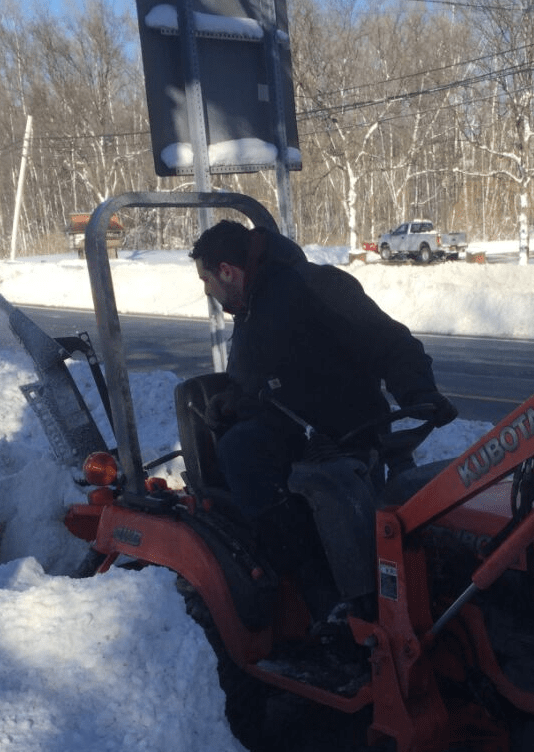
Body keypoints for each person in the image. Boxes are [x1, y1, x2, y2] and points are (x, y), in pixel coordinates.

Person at [188, 219, 456, 618]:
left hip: (340, 433)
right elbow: (268, 376)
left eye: (206, 279)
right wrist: (233, 399)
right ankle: (299, 576)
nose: (207, 290)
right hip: (295, 429)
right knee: (239, 448)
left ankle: (317, 587)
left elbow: (388, 341)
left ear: (227, 270)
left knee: (239, 452)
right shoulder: (251, 305)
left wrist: (420, 392)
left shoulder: (314, 286)